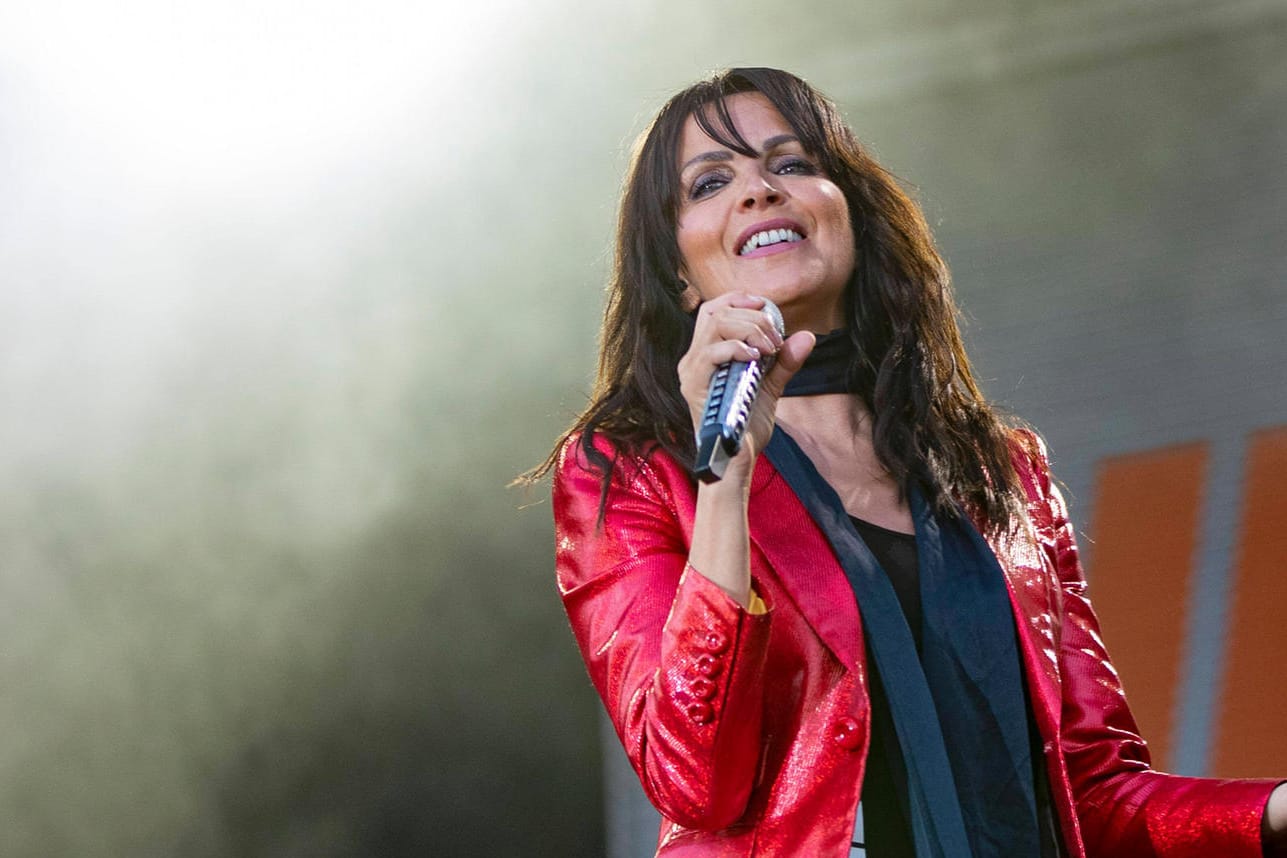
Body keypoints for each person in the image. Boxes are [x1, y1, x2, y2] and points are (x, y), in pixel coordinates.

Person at [529, 67, 1287, 857]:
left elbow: (1090, 792)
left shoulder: (1003, 472)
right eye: (711, 181)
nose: (759, 191)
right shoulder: (630, 471)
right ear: (678, 275)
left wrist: (1273, 810)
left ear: (848, 211)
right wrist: (722, 482)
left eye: (791, 164)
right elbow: (695, 779)